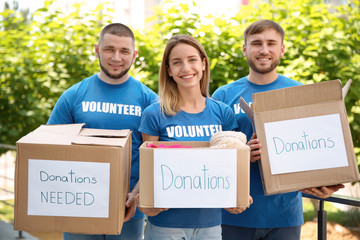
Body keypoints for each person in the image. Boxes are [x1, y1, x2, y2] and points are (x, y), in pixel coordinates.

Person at [212, 19, 344, 240]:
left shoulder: (299, 92)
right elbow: (212, 153)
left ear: (282, 49)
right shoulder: (223, 96)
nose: (264, 50)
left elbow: (315, 149)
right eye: (256, 43)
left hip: (285, 217)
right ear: (245, 49)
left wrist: (326, 183)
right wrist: (241, 154)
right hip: (234, 215)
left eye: (271, 43)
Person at [47, 23, 158, 240]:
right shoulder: (74, 95)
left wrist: (137, 195)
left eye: (124, 51)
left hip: (127, 210)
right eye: (109, 49)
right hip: (78, 205)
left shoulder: (148, 100)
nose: (116, 57)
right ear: (97, 50)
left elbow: (156, 154)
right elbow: (51, 148)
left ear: (134, 55)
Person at [137, 34, 252, 240]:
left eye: (192, 60)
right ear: (169, 70)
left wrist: (238, 195)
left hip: (210, 224)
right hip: (166, 225)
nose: (186, 68)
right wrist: (146, 200)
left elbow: (231, 167)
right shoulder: (154, 114)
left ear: (204, 64)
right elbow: (148, 171)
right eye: (177, 62)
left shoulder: (223, 112)